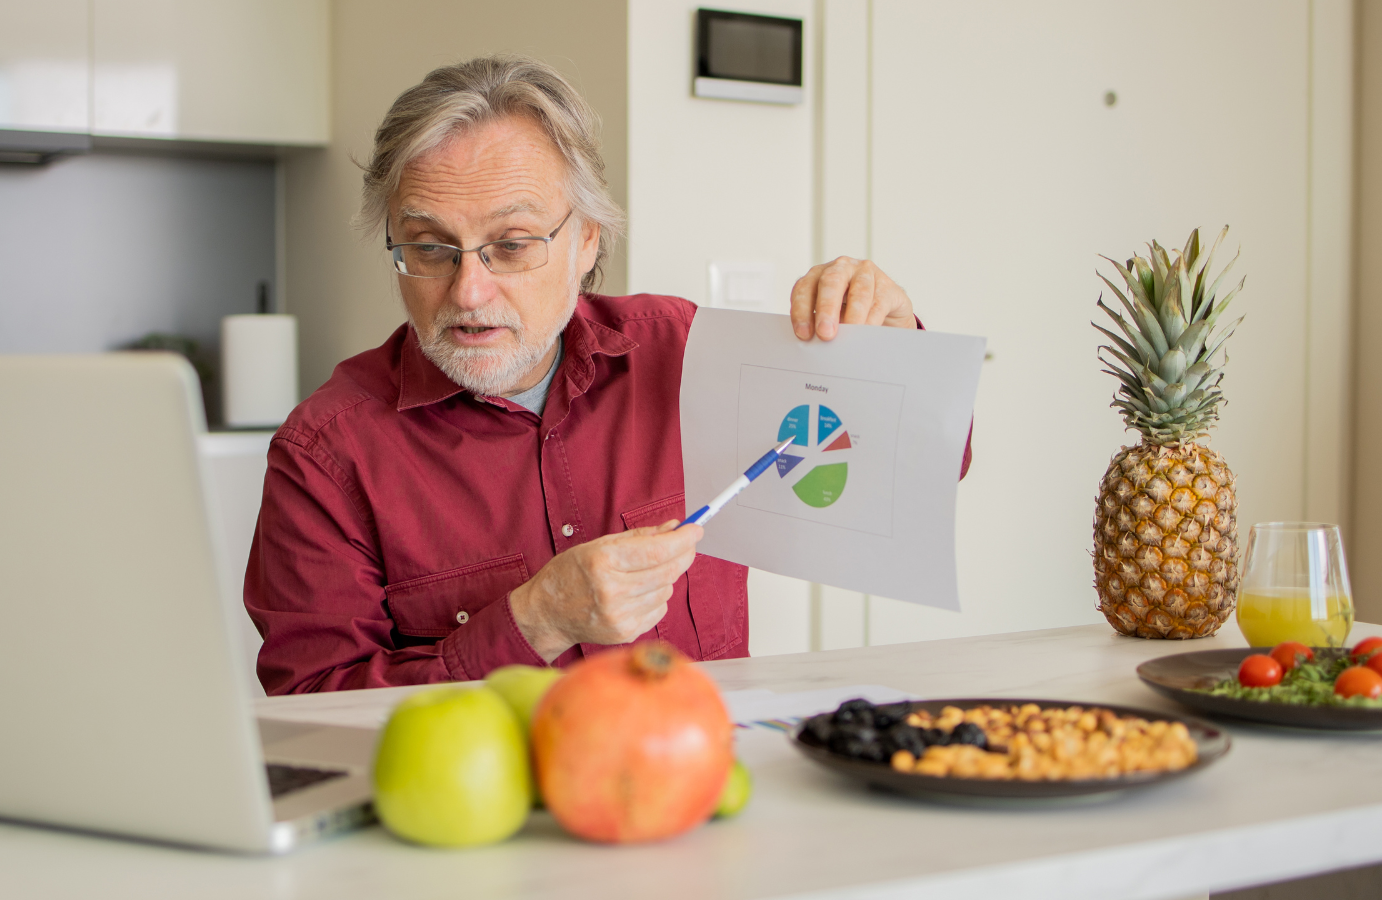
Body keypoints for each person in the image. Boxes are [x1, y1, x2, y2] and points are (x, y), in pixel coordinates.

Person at [245, 55, 962, 693]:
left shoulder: (686, 353)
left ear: (587, 240)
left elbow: (909, 476)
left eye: (513, 244)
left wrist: (891, 354)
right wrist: (531, 621)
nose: (467, 291)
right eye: (430, 248)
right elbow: (315, 712)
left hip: (699, 798)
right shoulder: (326, 454)